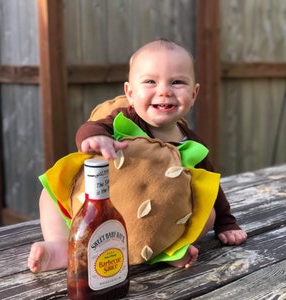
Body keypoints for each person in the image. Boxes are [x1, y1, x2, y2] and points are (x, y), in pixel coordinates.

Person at [28, 39, 247, 273]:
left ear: (194, 94)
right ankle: (61, 245)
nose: (164, 90)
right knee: (49, 191)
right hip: (100, 211)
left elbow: (212, 187)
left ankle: (168, 251)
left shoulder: (191, 144)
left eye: (177, 82)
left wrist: (226, 222)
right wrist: (94, 138)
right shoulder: (123, 121)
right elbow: (91, 128)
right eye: (150, 81)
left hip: (157, 225)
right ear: (130, 93)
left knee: (207, 214)